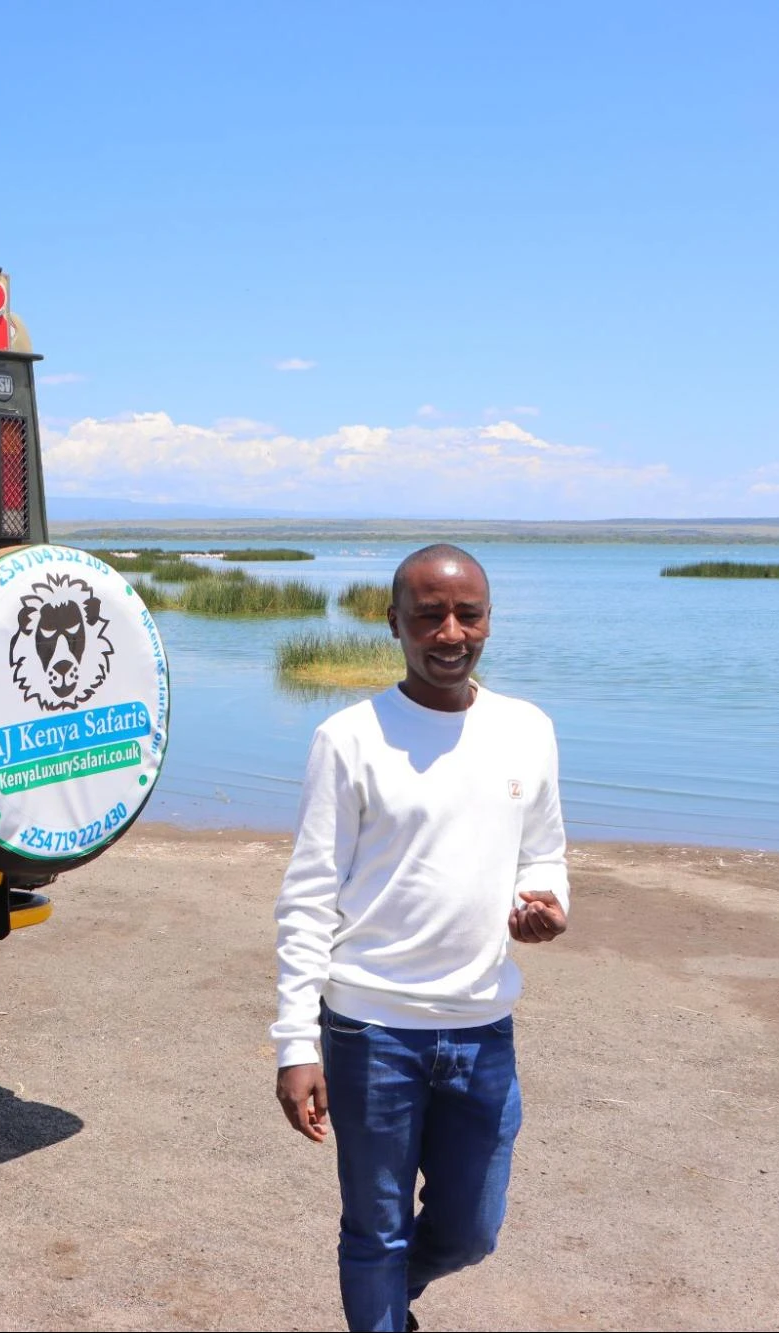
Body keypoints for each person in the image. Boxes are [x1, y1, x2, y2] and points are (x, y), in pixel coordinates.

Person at [271, 544, 570, 1333]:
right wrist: (293, 1043)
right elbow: (306, 897)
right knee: (373, 1229)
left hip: (481, 1027)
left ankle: (386, 1296)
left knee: (472, 1228)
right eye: (428, 614)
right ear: (392, 623)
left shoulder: (526, 729)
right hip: (370, 1027)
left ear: (486, 620)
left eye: (466, 614)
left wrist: (547, 903)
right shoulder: (348, 738)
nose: (448, 632)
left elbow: (543, 852)